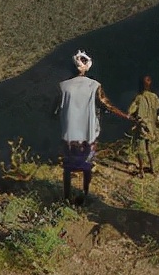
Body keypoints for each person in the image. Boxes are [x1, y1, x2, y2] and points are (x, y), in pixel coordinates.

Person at [55, 50, 133, 205]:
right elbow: (107, 105)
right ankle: (85, 196)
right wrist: (127, 116)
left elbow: (55, 109)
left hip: (69, 135)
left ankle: (66, 198)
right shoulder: (94, 86)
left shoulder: (63, 86)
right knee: (86, 166)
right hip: (88, 134)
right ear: (87, 67)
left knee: (68, 168)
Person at [127, 75, 159, 177]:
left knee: (140, 150)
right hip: (152, 128)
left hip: (142, 128)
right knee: (150, 149)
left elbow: (130, 111)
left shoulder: (139, 98)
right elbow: (157, 108)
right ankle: (153, 169)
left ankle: (141, 171)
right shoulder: (155, 97)